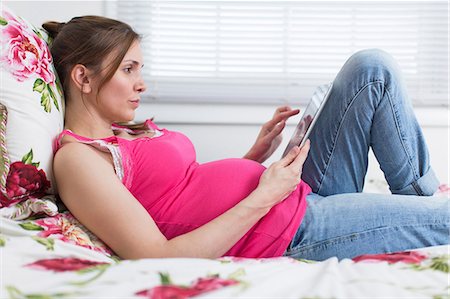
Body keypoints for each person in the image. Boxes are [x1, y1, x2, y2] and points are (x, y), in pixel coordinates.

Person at [44, 16, 449, 261]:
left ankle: (418, 197)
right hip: (288, 229)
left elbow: (182, 197)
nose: (142, 83)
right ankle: (424, 207)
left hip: (290, 195)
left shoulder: (121, 135)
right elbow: (155, 254)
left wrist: (256, 155)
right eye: (129, 69)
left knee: (370, 69)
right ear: (83, 77)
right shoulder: (78, 159)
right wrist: (264, 196)